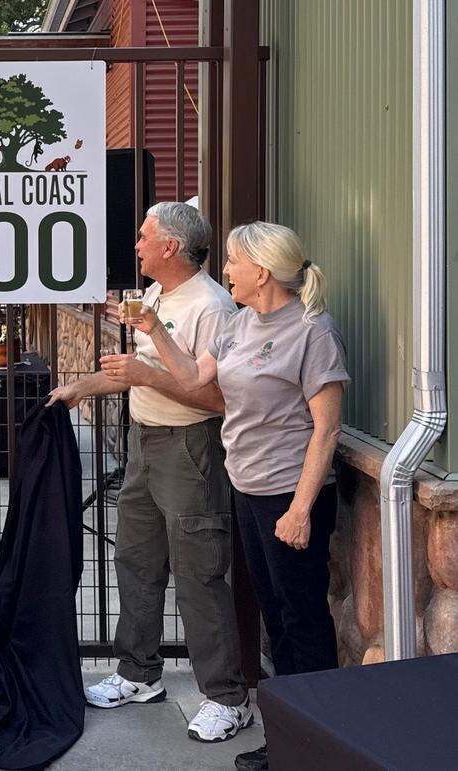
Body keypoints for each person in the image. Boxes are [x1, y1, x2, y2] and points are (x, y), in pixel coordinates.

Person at [122, 221, 349, 771]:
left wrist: (299, 509)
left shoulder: (313, 330)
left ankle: (313, 748)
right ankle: (288, 741)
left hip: (290, 497)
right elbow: (197, 379)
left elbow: (327, 429)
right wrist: (153, 328)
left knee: (302, 620)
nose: (224, 270)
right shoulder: (243, 323)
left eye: (231, 262)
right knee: (274, 616)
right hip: (247, 489)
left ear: (262, 271)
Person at [48, 202, 253, 743]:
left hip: (190, 448)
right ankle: (139, 674)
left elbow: (215, 397)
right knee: (136, 561)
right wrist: (81, 389)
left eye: (144, 236)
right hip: (144, 442)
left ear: (171, 248)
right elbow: (141, 375)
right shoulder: (158, 297)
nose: (135, 244)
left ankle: (227, 698)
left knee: (199, 573)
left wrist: (144, 373)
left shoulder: (212, 307)